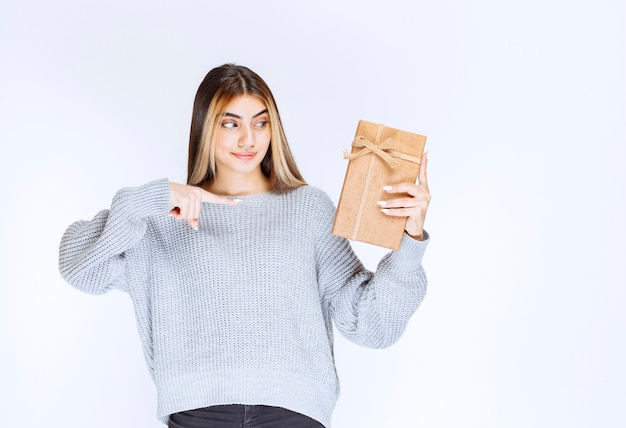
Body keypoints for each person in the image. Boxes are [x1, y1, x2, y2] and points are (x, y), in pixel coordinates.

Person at [58, 64, 431, 428]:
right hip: (198, 412)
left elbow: (371, 326)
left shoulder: (307, 209)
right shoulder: (161, 216)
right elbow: (78, 267)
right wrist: (145, 200)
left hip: (293, 412)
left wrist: (410, 242)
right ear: (205, 127)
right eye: (231, 123)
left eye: (261, 122)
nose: (248, 139)